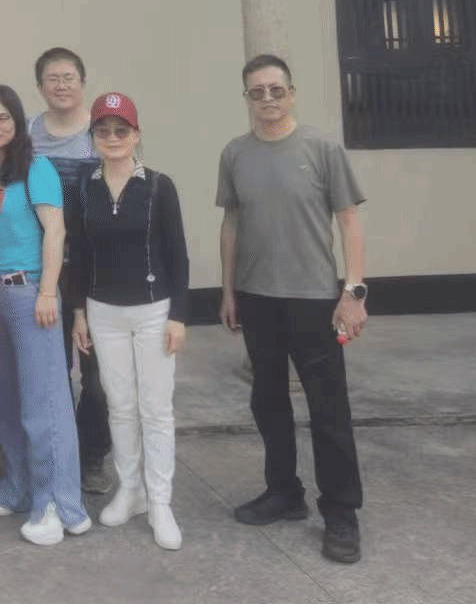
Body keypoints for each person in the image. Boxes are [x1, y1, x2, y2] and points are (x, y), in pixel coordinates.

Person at [218, 53, 369, 565]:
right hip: (257, 298)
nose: (267, 98)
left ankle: (341, 512)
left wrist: (353, 292)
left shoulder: (322, 149)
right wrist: (228, 291)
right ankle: (284, 492)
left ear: (291, 93)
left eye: (276, 89)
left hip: (314, 300)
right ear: (246, 97)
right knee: (268, 402)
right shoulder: (235, 154)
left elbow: (349, 222)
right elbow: (231, 224)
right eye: (257, 91)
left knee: (328, 409)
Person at [0, 79, 92, 547]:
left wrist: (48, 293)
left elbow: (55, 232)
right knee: (6, 401)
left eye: (2, 117)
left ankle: (58, 504)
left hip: (28, 292)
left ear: (18, 122)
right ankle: (19, 485)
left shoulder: (37, 168)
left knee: (45, 403)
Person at [67, 91, 189, 551]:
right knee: (118, 405)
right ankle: (130, 490)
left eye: (121, 130)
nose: (113, 138)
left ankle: (160, 501)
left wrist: (179, 316)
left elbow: (178, 254)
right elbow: (79, 254)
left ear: (136, 135)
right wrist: (78, 311)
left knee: (155, 409)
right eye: (103, 130)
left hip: (154, 310)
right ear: (93, 137)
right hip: (103, 312)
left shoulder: (158, 186)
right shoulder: (85, 189)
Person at [29, 47, 113, 496]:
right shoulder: (28, 134)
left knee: (97, 374)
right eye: (52, 78)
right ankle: (57, 455)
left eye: (68, 77)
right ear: (40, 86)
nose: (61, 85)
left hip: (97, 268)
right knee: (52, 368)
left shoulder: (103, 132)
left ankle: (93, 455)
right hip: (45, 270)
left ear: (82, 81)